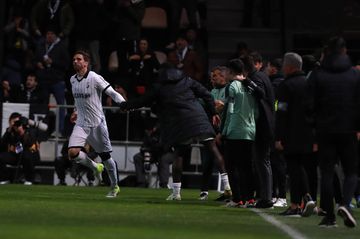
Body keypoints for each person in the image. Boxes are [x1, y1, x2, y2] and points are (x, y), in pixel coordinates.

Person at [120, 63, 231, 201]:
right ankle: (227, 186)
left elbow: (143, 100)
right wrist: (214, 112)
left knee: (178, 156)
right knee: (214, 150)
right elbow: (207, 95)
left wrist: (125, 106)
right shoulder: (187, 80)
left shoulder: (159, 86)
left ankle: (176, 193)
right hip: (199, 119)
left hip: (179, 124)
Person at [305, 36, 360, 228]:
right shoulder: (354, 75)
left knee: (327, 173)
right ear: (344, 51)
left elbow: (309, 106)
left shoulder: (318, 74)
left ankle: (329, 216)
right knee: (351, 172)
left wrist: (314, 127)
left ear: (327, 51)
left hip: (325, 130)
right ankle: (345, 203)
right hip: (348, 129)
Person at [67, 50, 126, 198]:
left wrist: (124, 104)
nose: (75, 61)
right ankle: (95, 167)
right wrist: (75, 110)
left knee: (106, 157)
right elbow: (78, 100)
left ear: (86, 63)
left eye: (79, 59)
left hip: (97, 123)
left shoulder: (94, 77)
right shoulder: (72, 80)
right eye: (74, 59)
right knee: (72, 153)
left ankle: (114, 186)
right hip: (81, 123)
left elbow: (112, 93)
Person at [276, 52, 315, 217]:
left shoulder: (286, 85)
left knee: (293, 169)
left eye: (284, 64)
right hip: (308, 134)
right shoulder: (309, 84)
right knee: (303, 168)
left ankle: (294, 205)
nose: (282, 67)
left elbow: (282, 112)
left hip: (291, 134)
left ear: (290, 67)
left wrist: (279, 137)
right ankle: (307, 198)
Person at [220, 59, 258, 207]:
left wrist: (223, 131)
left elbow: (229, 111)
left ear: (230, 71)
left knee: (232, 166)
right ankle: (249, 198)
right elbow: (256, 110)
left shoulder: (232, 86)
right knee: (247, 167)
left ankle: (237, 198)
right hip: (250, 130)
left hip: (235, 130)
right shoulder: (249, 86)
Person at [0, 113, 41, 185]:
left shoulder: (28, 130)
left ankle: (29, 179)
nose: (16, 124)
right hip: (16, 154)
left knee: (26, 156)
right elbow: (2, 144)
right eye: (14, 122)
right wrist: (8, 131)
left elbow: (32, 145)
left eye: (18, 122)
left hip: (30, 153)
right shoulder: (9, 131)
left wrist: (22, 133)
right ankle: (4, 178)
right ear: (10, 122)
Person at [133, 122, 173, 188]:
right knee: (137, 157)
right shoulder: (147, 134)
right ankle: (141, 182)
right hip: (153, 153)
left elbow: (164, 147)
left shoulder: (164, 132)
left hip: (166, 153)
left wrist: (152, 147)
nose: (149, 131)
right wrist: (147, 157)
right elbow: (143, 147)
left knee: (164, 159)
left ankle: (164, 184)